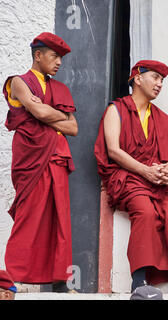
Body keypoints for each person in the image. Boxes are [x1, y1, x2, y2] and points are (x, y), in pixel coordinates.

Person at [94, 60, 168, 294]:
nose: (159, 84)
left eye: (162, 81)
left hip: (154, 174)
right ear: (137, 78)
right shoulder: (115, 110)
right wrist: (144, 170)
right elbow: (114, 150)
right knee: (145, 212)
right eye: (155, 78)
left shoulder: (160, 116)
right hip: (127, 175)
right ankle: (139, 278)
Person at [2, 32, 78, 292]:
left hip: (57, 157)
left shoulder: (60, 89)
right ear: (38, 55)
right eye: (55, 56)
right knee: (29, 216)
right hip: (31, 158)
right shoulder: (18, 82)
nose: (59, 63)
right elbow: (38, 111)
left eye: (61, 59)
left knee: (60, 220)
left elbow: (74, 128)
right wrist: (55, 116)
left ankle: (60, 281)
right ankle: (14, 277)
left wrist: (48, 113)